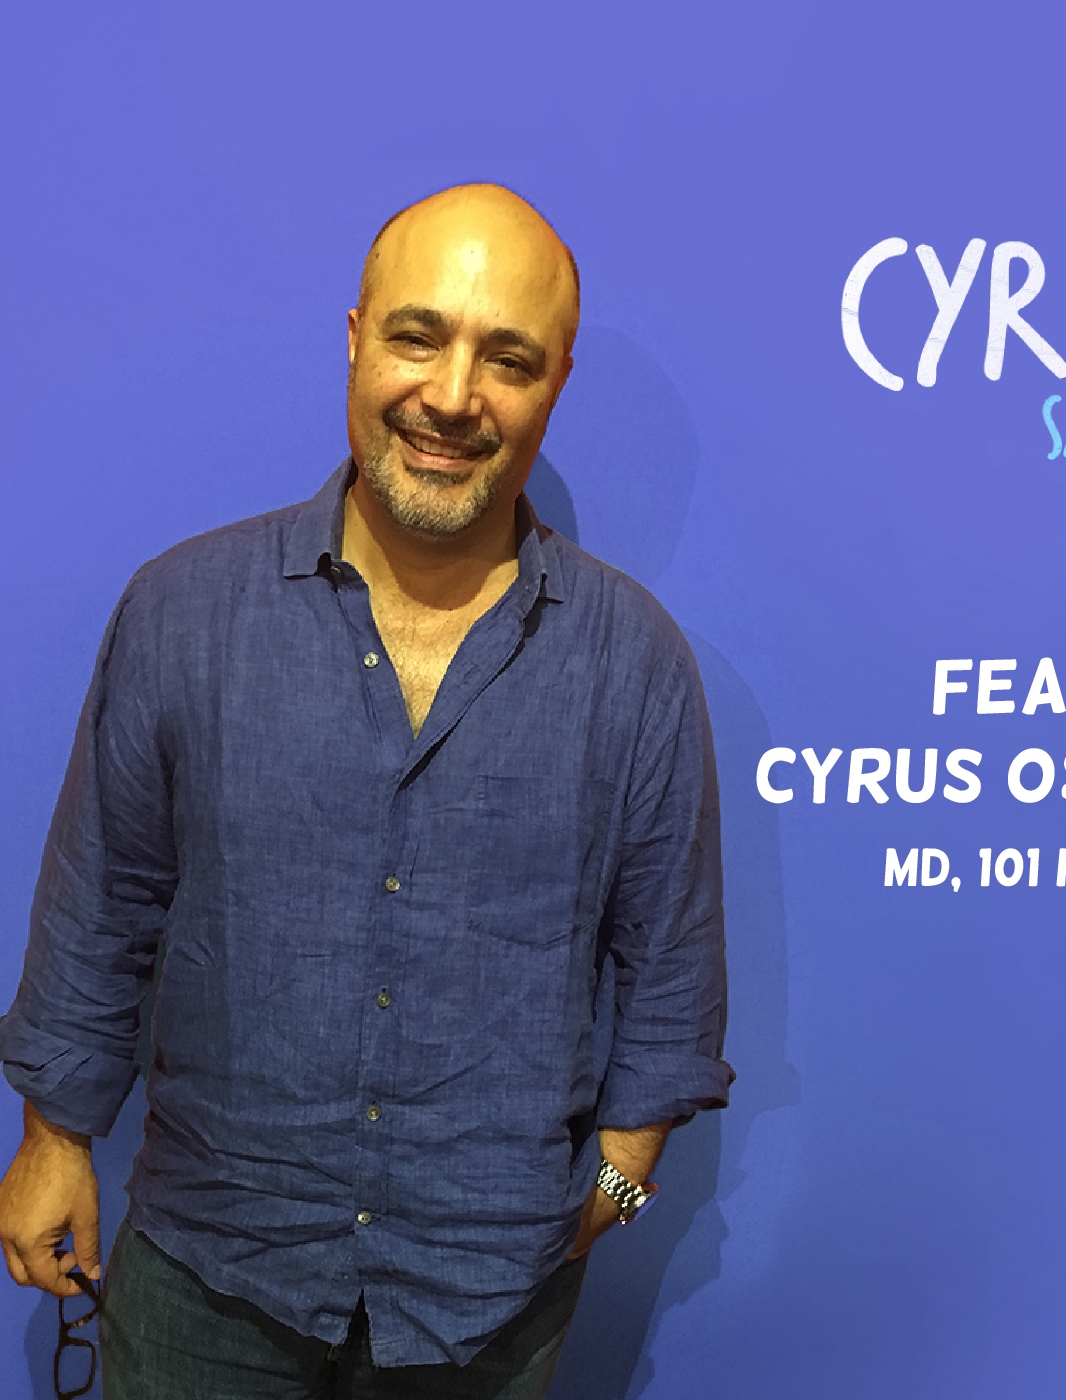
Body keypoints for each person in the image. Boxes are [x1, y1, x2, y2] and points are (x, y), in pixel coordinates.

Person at [0, 184, 732, 1399]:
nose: (452, 394)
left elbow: (670, 981)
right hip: (206, 1269)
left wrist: (611, 1185)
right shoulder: (182, 611)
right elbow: (99, 907)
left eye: (507, 358)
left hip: (492, 1296)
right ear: (354, 339)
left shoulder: (635, 662)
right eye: (417, 336)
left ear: (554, 384)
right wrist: (51, 1137)